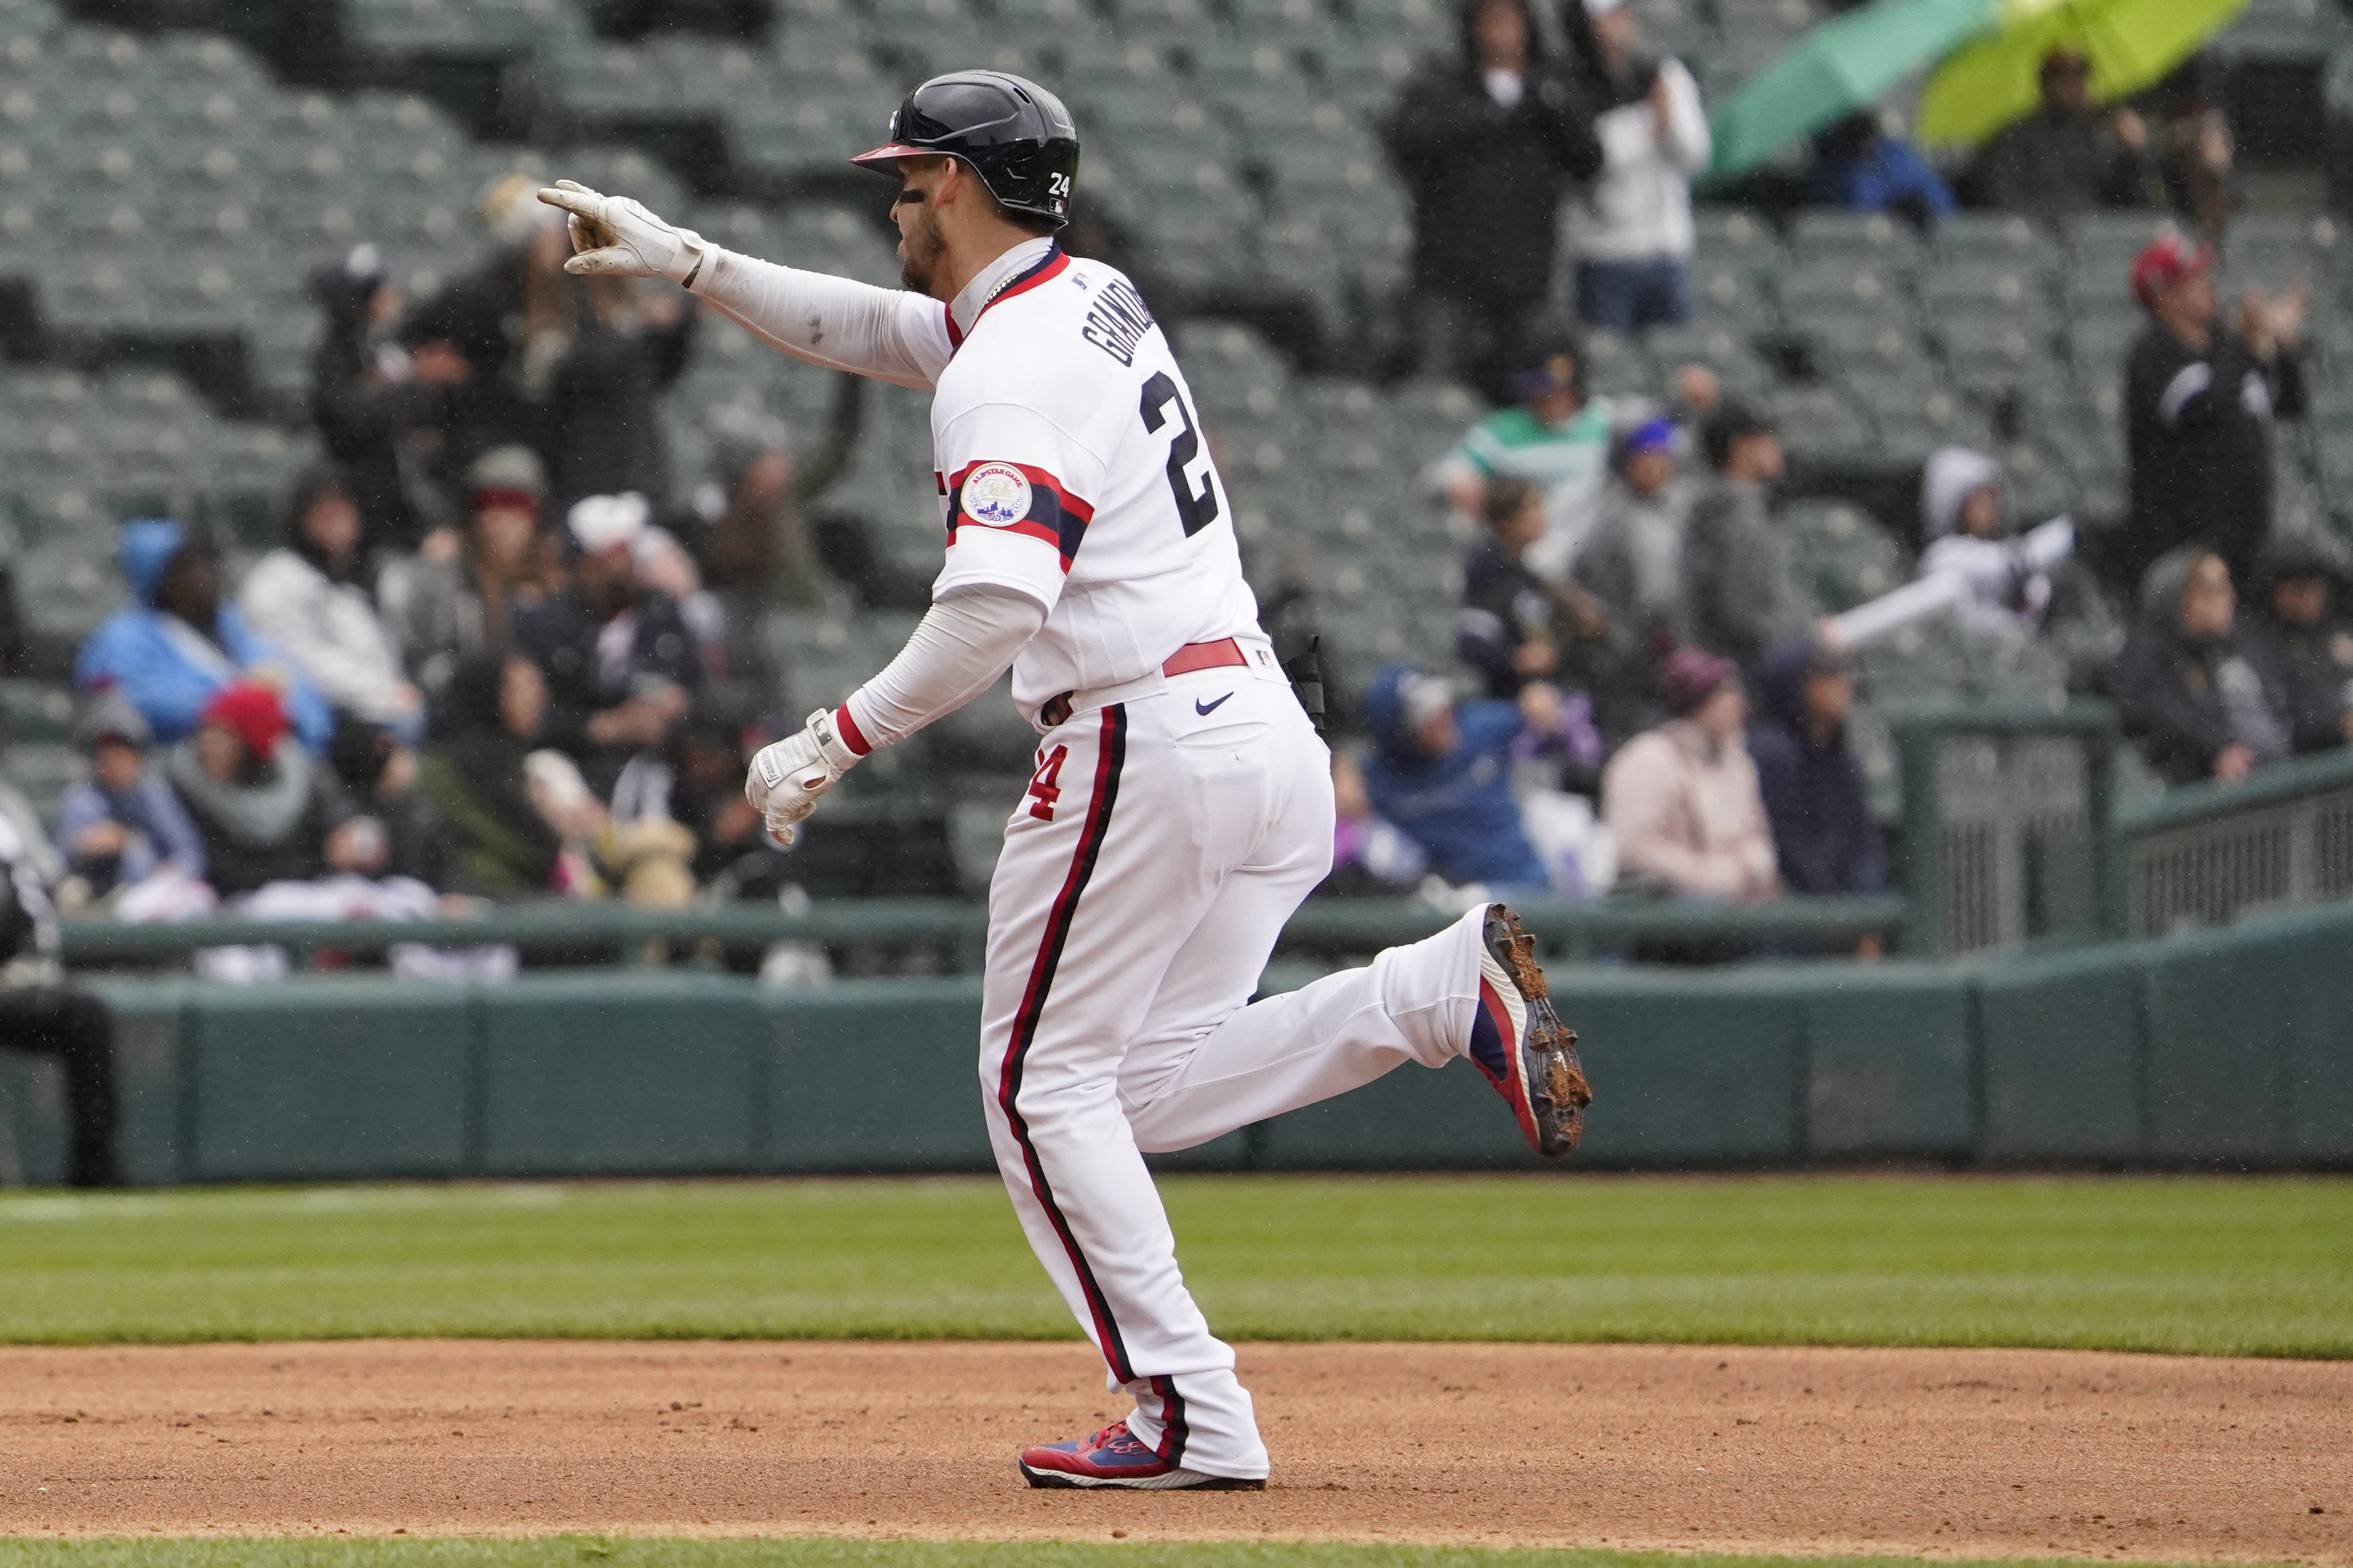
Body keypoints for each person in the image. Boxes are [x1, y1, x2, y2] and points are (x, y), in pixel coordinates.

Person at [537, 67, 1591, 1491]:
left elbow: (992, 611)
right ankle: (1425, 995)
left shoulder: (1014, 369)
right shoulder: (1085, 296)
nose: (898, 204)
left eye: (910, 182)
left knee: (1034, 1087)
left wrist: (831, 738)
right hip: (1257, 730)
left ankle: (1185, 1406)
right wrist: (698, 264)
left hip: (1137, 738)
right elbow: (890, 329)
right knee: (1123, 1092)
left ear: (960, 187)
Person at [1381, 0, 1602, 389]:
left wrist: (1552, 106)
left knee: (1549, 385)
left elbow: (1588, 160)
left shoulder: (1550, 89)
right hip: (1448, 280)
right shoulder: (1441, 84)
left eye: (1510, 20)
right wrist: (1492, 116)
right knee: (1436, 387)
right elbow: (1407, 142)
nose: (1500, 33)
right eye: (1490, 21)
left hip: (1526, 284)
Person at [2119, 233, 2307, 593]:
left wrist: (2285, 350)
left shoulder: (2225, 345)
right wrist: (2248, 346)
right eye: (2194, 279)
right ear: (2165, 294)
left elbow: (2287, 406)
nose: (2209, 285)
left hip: (2248, 538)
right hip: (2183, 544)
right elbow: (2200, 409)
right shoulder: (2153, 352)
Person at [75, 520, 334, 755]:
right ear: (160, 577)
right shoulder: (126, 637)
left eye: (207, 563)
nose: (203, 576)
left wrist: (289, 720)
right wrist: (238, 705)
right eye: (188, 568)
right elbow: (130, 701)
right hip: (187, 767)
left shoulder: (235, 627)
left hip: (271, 767)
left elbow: (303, 697)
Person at [511, 493, 702, 796]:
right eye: (619, 552)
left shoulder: (661, 613)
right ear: (589, 565)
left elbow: (701, 681)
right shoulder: (546, 625)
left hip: (667, 763)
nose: (631, 561)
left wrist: (680, 703)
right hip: (580, 768)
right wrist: (602, 727)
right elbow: (527, 717)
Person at [0, 750, 121, 1187]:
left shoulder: (8, 804)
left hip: (15, 977)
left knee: (87, 1017)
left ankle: (97, 1172)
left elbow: (38, 884)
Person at [238, 464, 427, 741]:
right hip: (325, 717)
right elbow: (297, 660)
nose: (334, 517)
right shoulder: (276, 581)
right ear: (301, 518)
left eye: (342, 507)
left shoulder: (371, 573)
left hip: (387, 705)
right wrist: (380, 692)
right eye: (321, 510)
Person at [161, 682, 387, 900]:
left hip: (304, 901)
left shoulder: (300, 772)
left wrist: (354, 837)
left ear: (252, 749)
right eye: (207, 731)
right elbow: (227, 873)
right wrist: (320, 862)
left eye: (227, 736)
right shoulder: (179, 784)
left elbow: (343, 814)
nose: (208, 745)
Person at [1562, 0, 1708, 333]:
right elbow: (1589, 160)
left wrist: (1667, 122)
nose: (1619, 25)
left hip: (1668, 250)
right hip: (1605, 254)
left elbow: (1695, 155)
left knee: (1674, 354)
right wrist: (1646, 121)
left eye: (1623, 15)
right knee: (1609, 364)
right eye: (1608, 18)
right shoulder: (1569, 83)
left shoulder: (1664, 74)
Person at [307, 242, 458, 553]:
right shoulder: (337, 356)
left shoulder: (388, 345)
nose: (391, 295)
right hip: (368, 498)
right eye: (379, 289)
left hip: (405, 492)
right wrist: (410, 385)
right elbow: (348, 416)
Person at [1601, 647, 1778, 902]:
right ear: (1699, 703)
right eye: (1724, 694)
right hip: (1669, 914)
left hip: (1740, 904)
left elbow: (1757, 835)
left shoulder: (1737, 760)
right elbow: (1635, 850)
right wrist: (1713, 876)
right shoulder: (1646, 760)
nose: (1739, 704)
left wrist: (1750, 868)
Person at [378, 444, 549, 706]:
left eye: (513, 503)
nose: (496, 517)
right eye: (484, 503)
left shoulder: (554, 577)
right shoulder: (443, 570)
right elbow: (424, 668)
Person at [1432, 341, 1615, 582]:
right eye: (1541, 392)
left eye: (1557, 391)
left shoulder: (1607, 420)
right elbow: (1442, 476)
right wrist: (1461, 481)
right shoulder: (1502, 430)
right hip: (1526, 553)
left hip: (1594, 546)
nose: (1549, 399)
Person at [1359, 665, 1552, 891]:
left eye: (1439, 700)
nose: (1443, 714)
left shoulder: (1479, 728)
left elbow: (1540, 715)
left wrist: (1539, 705)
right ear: (1399, 732)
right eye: (1425, 713)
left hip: (1528, 883)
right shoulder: (1378, 780)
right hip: (1453, 902)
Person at [2111, 548, 2292, 785]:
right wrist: (2216, 751)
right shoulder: (2145, 659)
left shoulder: (2244, 644)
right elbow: (2163, 722)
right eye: (2212, 589)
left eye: (2228, 586)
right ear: (2177, 599)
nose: (2228, 598)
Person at [683, 386, 866, 612]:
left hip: (809, 615)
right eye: (769, 458)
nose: (782, 463)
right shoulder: (710, 522)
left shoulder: (789, 496)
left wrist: (853, 381)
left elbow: (839, 447)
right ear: (745, 470)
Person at [415, 654, 567, 899]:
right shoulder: (457, 767)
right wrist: (556, 831)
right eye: (523, 689)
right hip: (482, 895)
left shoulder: (511, 758)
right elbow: (531, 850)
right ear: (490, 696)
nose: (540, 698)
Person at [1747, 636, 1884, 902]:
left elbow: (1863, 845)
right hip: (1791, 909)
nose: (1845, 684)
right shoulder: (1771, 752)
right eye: (1828, 675)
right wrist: (1838, 915)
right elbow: (1787, 849)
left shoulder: (1843, 760)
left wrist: (1866, 917)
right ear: (1796, 684)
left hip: (1847, 911)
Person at [1972, 48, 2165, 226]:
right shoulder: (2016, 137)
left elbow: (2138, 205)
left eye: (2080, 75)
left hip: (2100, 240)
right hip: (2037, 238)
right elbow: (2001, 197)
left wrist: (2134, 152)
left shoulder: (2104, 134)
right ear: (2045, 84)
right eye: (2062, 77)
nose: (2073, 84)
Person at [1681, 403, 1803, 675]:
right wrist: (1803, 637)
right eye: (1766, 438)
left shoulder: (1733, 507)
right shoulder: (1734, 516)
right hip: (1742, 675)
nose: (1777, 448)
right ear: (1742, 448)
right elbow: (1741, 615)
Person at [52, 693, 206, 908]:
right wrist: (87, 846)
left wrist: (168, 873)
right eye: (107, 754)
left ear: (137, 757)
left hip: (158, 894)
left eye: (123, 753)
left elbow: (191, 853)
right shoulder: (82, 798)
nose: (115, 762)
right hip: (102, 898)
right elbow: (60, 863)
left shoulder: (154, 793)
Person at [1576, 413, 1694, 657]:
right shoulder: (1606, 515)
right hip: (1635, 642)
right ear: (1626, 463)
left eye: (1662, 457)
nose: (1656, 466)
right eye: (1646, 458)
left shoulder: (1687, 504)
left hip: (1687, 630)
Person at [1918, 446, 2054, 636]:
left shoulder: (2004, 549)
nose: (1990, 508)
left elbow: (2036, 593)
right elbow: (2000, 569)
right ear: (1954, 505)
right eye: (1979, 501)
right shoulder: (1941, 557)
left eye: (1993, 499)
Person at [2241, 536, 2353, 755]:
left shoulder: (2337, 633)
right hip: (2307, 773)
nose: (2312, 598)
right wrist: (2338, 724)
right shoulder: (2257, 649)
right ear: (2274, 593)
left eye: (2317, 587)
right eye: (2299, 589)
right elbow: (2286, 726)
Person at [1458, 476, 1560, 699]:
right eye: (1531, 508)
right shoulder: (1487, 571)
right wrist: (1516, 658)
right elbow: (1472, 643)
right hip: (1503, 700)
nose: (1541, 515)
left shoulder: (1528, 575)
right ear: (1505, 522)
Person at [1807, 112, 1956, 229]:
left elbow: (1942, 202)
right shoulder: (1834, 173)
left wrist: (1915, 201)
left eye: (1869, 137)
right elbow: (1858, 209)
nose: (1866, 145)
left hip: (1922, 233)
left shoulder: (1898, 155)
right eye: (1855, 138)